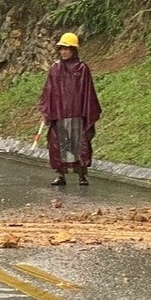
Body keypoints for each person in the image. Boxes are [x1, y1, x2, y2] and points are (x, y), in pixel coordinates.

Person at [38, 32, 101, 187]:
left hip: (77, 113)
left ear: (74, 49)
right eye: (61, 49)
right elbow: (49, 91)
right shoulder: (55, 68)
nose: (64, 52)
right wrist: (46, 111)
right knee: (58, 144)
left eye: (67, 49)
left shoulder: (82, 68)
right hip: (59, 114)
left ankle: (82, 175)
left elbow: (88, 92)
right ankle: (60, 175)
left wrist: (86, 112)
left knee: (80, 144)